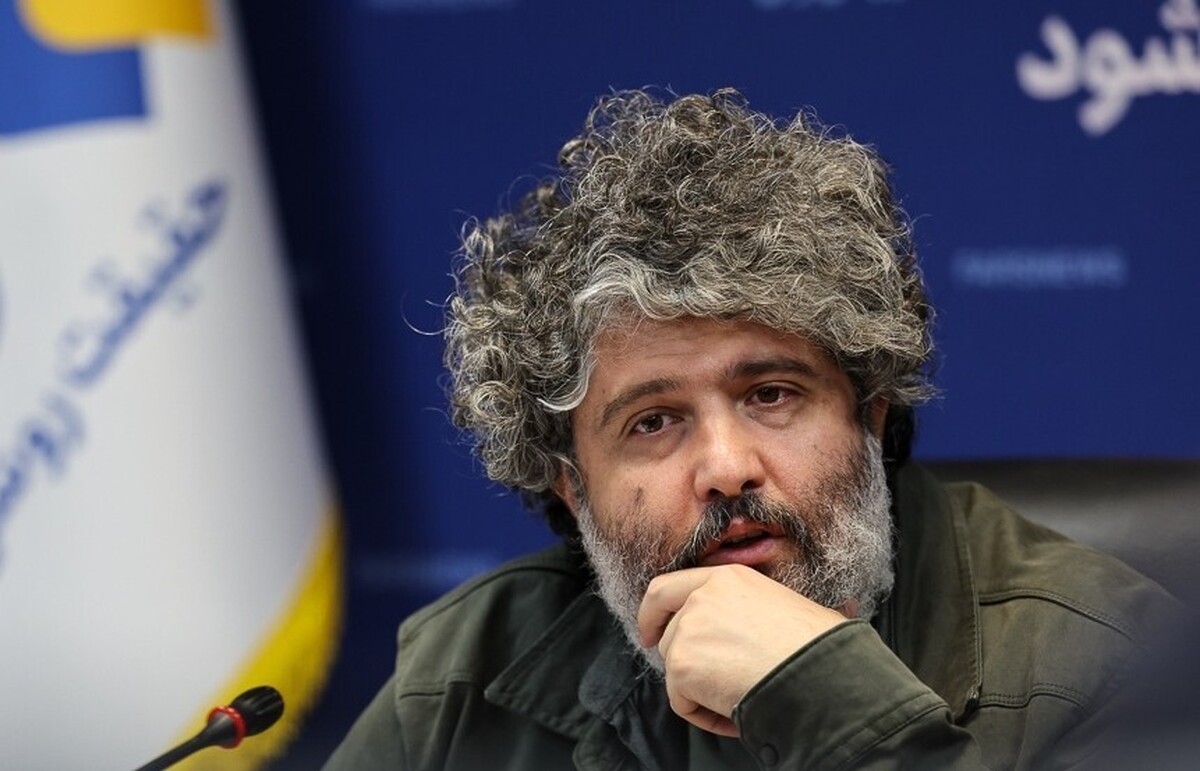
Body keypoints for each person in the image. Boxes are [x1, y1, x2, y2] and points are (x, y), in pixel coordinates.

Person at [323, 87, 1181, 770]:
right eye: (653, 421)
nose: (727, 466)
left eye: (770, 394)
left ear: (871, 411)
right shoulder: (460, 683)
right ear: (571, 483)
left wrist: (822, 696)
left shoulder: (1101, 663)